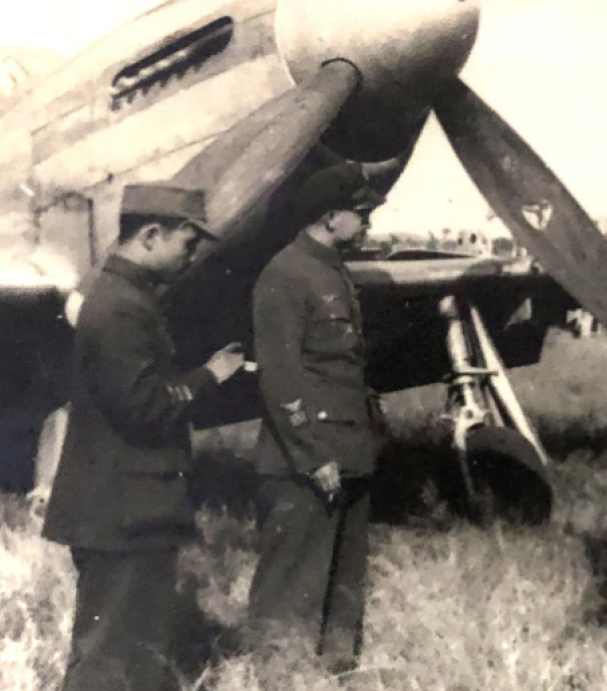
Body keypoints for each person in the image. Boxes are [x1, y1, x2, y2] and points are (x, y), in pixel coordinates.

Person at [43, 184, 250, 691]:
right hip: (122, 511)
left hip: (129, 506)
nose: (191, 256)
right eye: (188, 242)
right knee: (106, 659)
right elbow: (145, 408)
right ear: (152, 235)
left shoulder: (125, 299)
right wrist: (210, 376)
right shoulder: (120, 308)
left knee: (135, 654)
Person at [247, 162, 386, 673]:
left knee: (342, 581)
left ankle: (335, 671)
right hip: (306, 460)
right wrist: (312, 456)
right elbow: (280, 376)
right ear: (331, 216)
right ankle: (278, 678)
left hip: (350, 452)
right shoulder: (285, 275)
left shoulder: (332, 270)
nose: (369, 222)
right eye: (362, 213)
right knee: (290, 584)